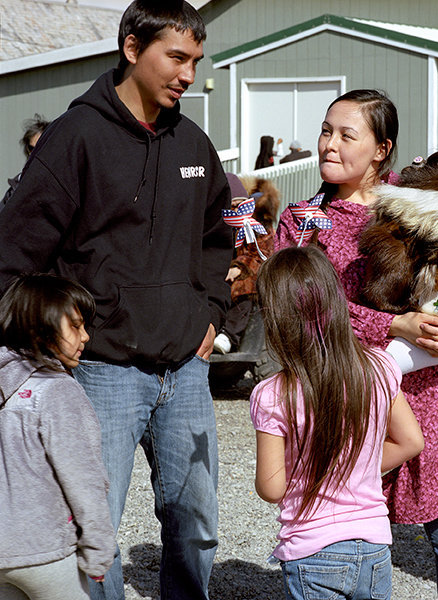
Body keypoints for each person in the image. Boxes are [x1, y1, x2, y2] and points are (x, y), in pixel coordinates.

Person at [0, 2, 233, 600]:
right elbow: (13, 253)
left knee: (197, 525)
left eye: (195, 61)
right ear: (132, 48)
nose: (187, 73)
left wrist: (210, 312)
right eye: (175, 58)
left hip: (185, 369)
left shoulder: (194, 143)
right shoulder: (75, 138)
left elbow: (218, 236)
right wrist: (42, 340)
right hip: (100, 370)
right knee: (94, 522)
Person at [276, 89, 438, 599]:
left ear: (383, 149)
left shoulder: (426, 206)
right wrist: (393, 326)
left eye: (346, 135)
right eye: (325, 131)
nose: (329, 145)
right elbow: (300, 309)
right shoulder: (300, 222)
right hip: (351, 399)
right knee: (341, 543)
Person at [250, 245, 424, 600]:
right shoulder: (379, 368)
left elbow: (271, 488)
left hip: (311, 549)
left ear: (275, 316)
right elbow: (410, 442)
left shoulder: (272, 394)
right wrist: (352, 469)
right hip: (375, 545)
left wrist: (322, 471)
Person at [0, 273, 115, 600]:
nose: (86, 337)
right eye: (76, 326)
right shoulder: (58, 390)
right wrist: (98, 549)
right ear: (41, 328)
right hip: (46, 553)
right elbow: (84, 478)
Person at [214, 174, 280, 354]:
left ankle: (228, 335)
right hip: (224, 271)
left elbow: (262, 253)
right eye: (232, 206)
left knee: (244, 287)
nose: (236, 210)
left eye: (240, 205)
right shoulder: (219, 225)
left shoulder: (258, 224)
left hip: (253, 272)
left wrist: (238, 268)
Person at [1, 113, 50, 210]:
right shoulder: (17, 183)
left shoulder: (60, 182)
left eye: (40, 147)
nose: (34, 153)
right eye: (31, 148)